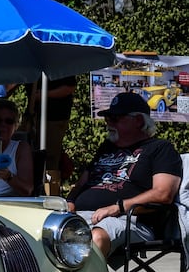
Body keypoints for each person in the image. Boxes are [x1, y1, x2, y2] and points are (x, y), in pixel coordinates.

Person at [65, 92, 182, 256]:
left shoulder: (160, 148)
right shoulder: (106, 148)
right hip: (81, 216)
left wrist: (117, 207)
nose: (108, 123)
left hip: (127, 220)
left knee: (95, 237)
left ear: (139, 121)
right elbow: (81, 184)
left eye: (115, 118)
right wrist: (69, 201)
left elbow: (163, 194)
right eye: (107, 118)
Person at [0, 99, 35, 197]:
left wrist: (8, 177)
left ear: (16, 126)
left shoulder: (20, 148)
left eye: (9, 121)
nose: (3, 125)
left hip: (6, 206)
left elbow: (27, 190)